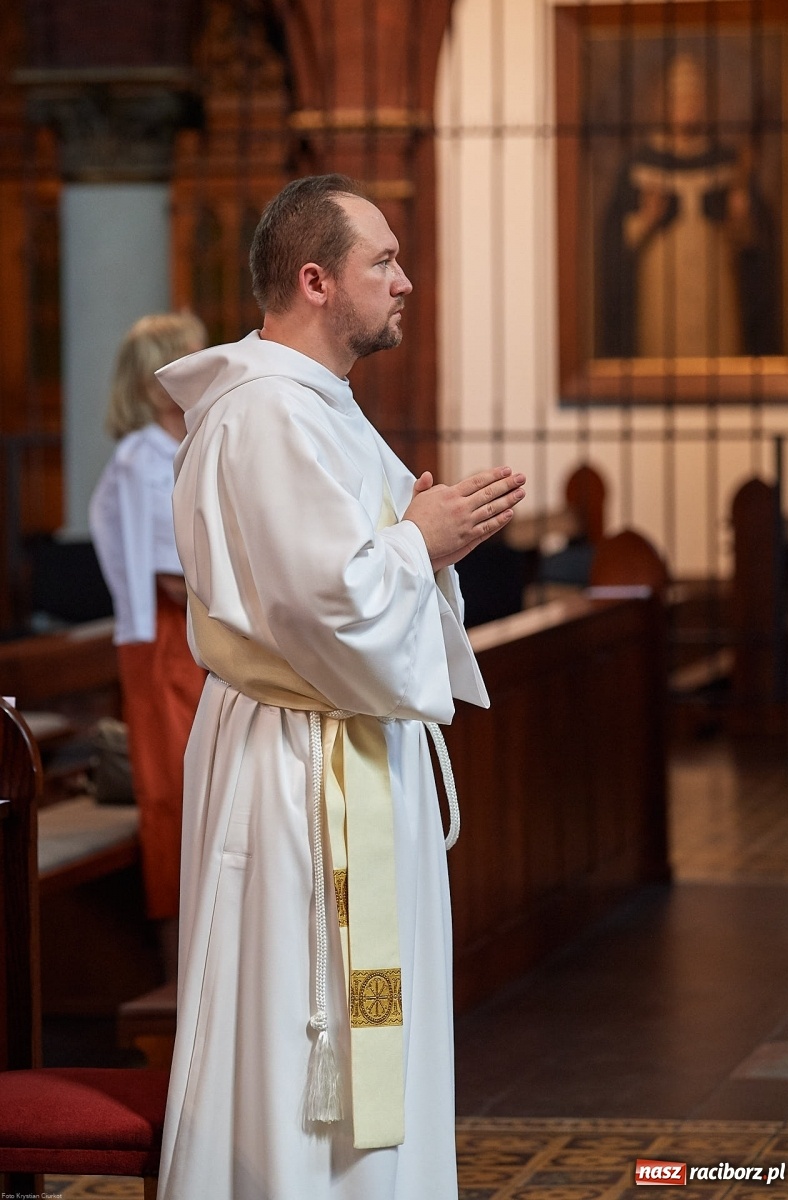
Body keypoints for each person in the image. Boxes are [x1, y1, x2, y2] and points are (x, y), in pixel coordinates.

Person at [155, 174, 526, 1200]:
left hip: (343, 747)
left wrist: (418, 540)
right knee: (291, 1030)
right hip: (295, 772)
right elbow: (326, 609)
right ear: (315, 281)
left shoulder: (324, 411)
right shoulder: (268, 415)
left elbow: (350, 579)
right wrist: (419, 540)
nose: (404, 282)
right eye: (383, 263)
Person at [88, 312, 208, 975]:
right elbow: (168, 577)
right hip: (166, 644)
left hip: (199, 632)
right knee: (175, 796)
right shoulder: (142, 460)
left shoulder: (194, 442)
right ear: (159, 380)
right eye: (188, 358)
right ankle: (179, 976)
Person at [598, 51, 779, 359]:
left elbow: (756, 241)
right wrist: (646, 219)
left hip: (717, 289)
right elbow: (614, 241)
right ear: (663, 104)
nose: (689, 106)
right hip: (661, 293)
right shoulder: (639, 165)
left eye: (695, 98)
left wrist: (740, 218)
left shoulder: (728, 162)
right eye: (680, 99)